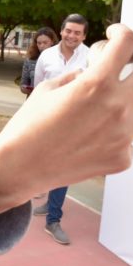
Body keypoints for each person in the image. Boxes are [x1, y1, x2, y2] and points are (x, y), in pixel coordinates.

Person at [32, 14, 90, 245]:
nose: (72, 36)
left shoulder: (91, 58)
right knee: (48, 163)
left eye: (77, 32)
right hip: (48, 118)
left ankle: (53, 220)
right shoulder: (46, 56)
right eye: (68, 31)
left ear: (84, 36)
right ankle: (50, 203)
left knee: (64, 168)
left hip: (74, 121)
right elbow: (39, 87)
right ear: (62, 30)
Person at [20, 27, 58, 95]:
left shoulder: (60, 59)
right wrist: (26, 89)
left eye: (45, 42)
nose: (42, 46)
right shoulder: (30, 60)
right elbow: (23, 84)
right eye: (39, 43)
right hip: (34, 99)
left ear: (52, 42)